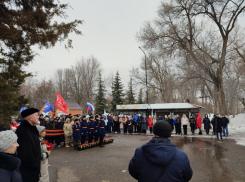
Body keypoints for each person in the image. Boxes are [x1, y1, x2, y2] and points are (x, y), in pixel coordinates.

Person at [128, 121, 193, 182]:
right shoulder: (181, 155)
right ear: (168, 134)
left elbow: (133, 171)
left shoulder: (140, 152)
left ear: (154, 134)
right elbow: (187, 176)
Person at [16, 108, 41, 182]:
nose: (38, 117)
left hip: (32, 171)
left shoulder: (31, 129)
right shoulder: (23, 131)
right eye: (36, 115)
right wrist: (35, 165)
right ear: (30, 118)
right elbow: (25, 153)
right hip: (28, 172)